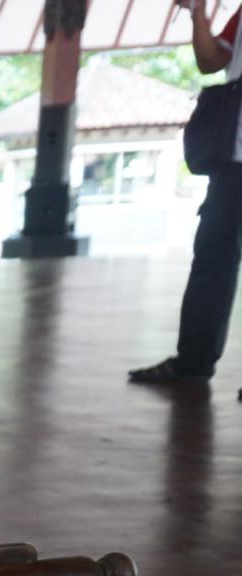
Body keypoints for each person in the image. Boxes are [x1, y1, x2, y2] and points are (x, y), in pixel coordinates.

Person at [134, 0, 242, 383]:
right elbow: (210, 61)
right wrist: (198, 12)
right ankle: (193, 361)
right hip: (234, 159)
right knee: (212, 257)